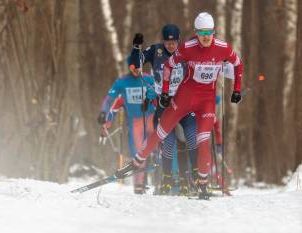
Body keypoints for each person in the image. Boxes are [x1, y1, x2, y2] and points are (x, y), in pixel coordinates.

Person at [131, 12, 243, 200]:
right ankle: (138, 160)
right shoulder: (187, 48)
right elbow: (168, 66)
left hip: (206, 101)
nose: (206, 37)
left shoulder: (223, 47)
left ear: (214, 32)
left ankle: (201, 183)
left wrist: (236, 90)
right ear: (196, 33)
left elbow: (238, 64)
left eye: (210, 32)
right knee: (162, 132)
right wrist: (165, 93)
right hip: (184, 97)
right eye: (202, 33)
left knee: (202, 140)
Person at [130, 24, 198, 196]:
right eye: (167, 43)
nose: (171, 46)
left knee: (186, 139)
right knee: (168, 142)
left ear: (178, 40)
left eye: (174, 42)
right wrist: (136, 48)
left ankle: (185, 178)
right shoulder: (156, 51)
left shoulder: (184, 52)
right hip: (164, 103)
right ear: (163, 41)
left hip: (183, 102)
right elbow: (135, 64)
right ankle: (167, 178)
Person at [98, 58, 156, 194]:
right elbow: (111, 108)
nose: (137, 70)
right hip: (136, 122)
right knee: (139, 153)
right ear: (130, 68)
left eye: (139, 67)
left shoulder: (149, 79)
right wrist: (106, 125)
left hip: (151, 119)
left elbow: (160, 95)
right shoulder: (123, 85)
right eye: (134, 68)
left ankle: (164, 179)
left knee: (158, 149)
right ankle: (139, 184)